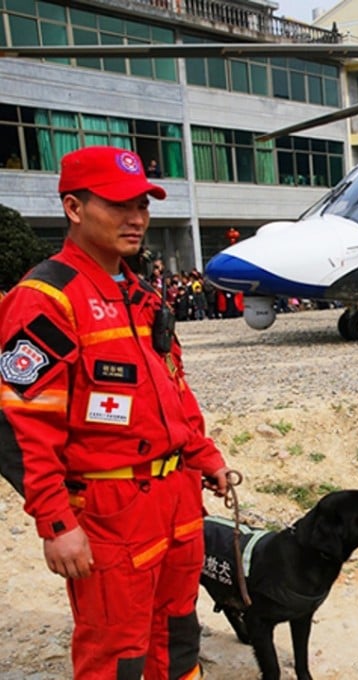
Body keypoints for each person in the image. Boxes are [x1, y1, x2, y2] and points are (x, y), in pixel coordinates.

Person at [0, 145, 229, 679]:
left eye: (143, 206)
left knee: (177, 641)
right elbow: (24, 426)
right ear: (74, 208)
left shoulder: (140, 293)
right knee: (117, 656)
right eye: (119, 205)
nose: (137, 219)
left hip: (176, 502)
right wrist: (57, 522)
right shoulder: (46, 298)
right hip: (107, 514)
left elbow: (172, 389)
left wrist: (205, 455)